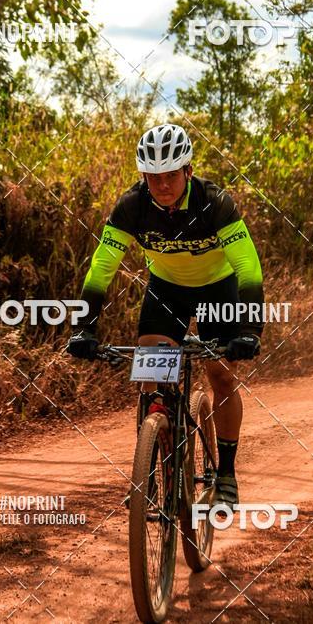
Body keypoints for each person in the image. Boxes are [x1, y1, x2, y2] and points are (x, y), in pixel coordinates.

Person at [66, 123, 264, 505]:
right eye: (153, 177)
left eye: (171, 175)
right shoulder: (132, 206)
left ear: (188, 171)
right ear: (143, 176)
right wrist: (83, 328)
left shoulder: (215, 201)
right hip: (167, 290)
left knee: (221, 375)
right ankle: (150, 473)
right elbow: (101, 268)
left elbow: (248, 268)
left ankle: (226, 473)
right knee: (151, 375)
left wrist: (250, 330)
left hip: (216, 290)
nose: (162, 185)